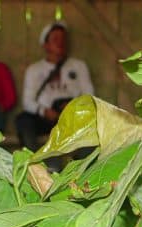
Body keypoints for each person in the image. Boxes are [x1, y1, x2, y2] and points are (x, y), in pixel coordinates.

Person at [15, 22, 94, 152]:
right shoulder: (34, 70)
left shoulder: (79, 66)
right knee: (23, 120)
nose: (60, 42)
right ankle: (33, 162)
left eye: (63, 39)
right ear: (45, 45)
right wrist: (44, 111)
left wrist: (72, 107)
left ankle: (84, 165)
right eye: (55, 39)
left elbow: (89, 96)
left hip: (72, 115)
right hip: (47, 116)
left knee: (90, 123)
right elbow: (27, 102)